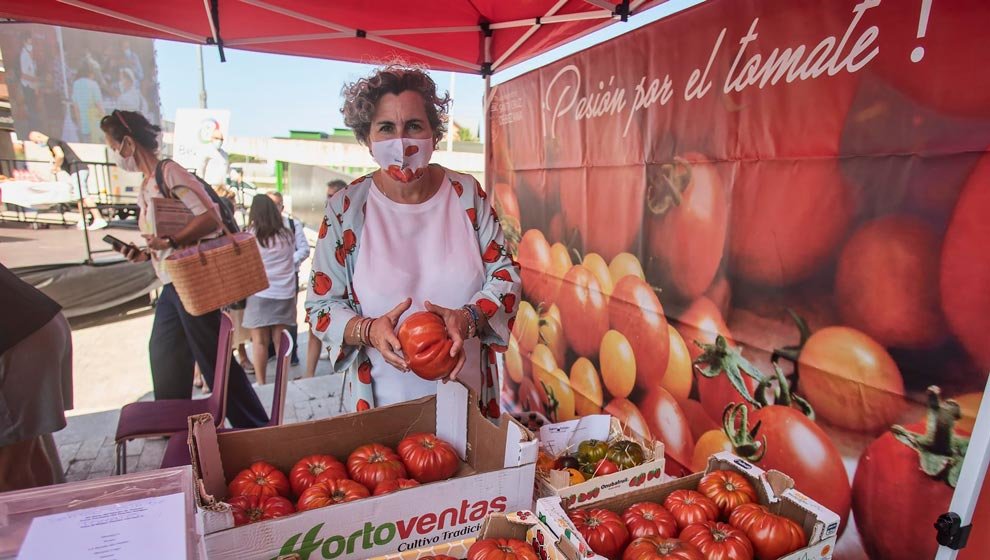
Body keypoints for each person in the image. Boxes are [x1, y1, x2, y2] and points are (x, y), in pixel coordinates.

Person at [305, 64, 520, 416]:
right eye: (386, 128)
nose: (401, 142)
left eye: (414, 126)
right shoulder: (346, 208)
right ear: (367, 139)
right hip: (380, 409)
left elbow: (505, 275)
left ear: (434, 134)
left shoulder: (466, 194)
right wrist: (369, 330)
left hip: (469, 402)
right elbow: (320, 307)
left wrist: (468, 318)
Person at [100, 109, 268, 428]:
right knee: (165, 353)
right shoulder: (147, 185)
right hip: (171, 281)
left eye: (113, 147)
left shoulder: (169, 172)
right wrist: (146, 251)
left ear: (127, 144)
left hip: (190, 281)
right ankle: (175, 426)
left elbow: (210, 216)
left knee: (211, 359)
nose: (115, 156)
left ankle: (254, 427)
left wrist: (171, 241)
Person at [0, 263, 73, 492]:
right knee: (28, 452)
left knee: (8, 473)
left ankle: (33, 526)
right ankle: (52, 519)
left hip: (17, 340)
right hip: (40, 323)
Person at [243, 194, 297, 385]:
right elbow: (292, 259)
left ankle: (262, 382)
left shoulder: (251, 236)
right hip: (285, 292)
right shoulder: (288, 234)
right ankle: (282, 381)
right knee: (280, 339)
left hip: (260, 293)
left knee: (259, 341)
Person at [305, 179, 349, 378]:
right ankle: (309, 373)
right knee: (315, 326)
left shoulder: (350, 212)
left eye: (333, 195)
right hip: (325, 283)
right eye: (328, 195)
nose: (329, 199)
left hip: (347, 289)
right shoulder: (330, 213)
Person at [29, 130, 107, 230]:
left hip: (77, 169)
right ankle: (83, 220)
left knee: (83, 195)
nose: (37, 144)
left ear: (38, 137)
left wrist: (56, 166)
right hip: (77, 169)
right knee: (79, 196)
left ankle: (98, 218)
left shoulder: (51, 141)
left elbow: (60, 155)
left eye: (35, 142)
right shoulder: (53, 142)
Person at [268, 191, 309, 366]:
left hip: (288, 276)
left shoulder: (292, 224)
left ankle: (290, 355)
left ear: (282, 206)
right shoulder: (258, 226)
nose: (274, 209)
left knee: (288, 318)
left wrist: (286, 263)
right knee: (268, 318)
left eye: (277, 205)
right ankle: (271, 352)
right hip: (267, 280)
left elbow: (304, 249)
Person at [71, 59, 105, 143]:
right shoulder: (93, 85)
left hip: (83, 126)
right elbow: (99, 106)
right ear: (91, 72)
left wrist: (80, 124)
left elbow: (76, 107)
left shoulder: (76, 84)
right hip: (95, 126)